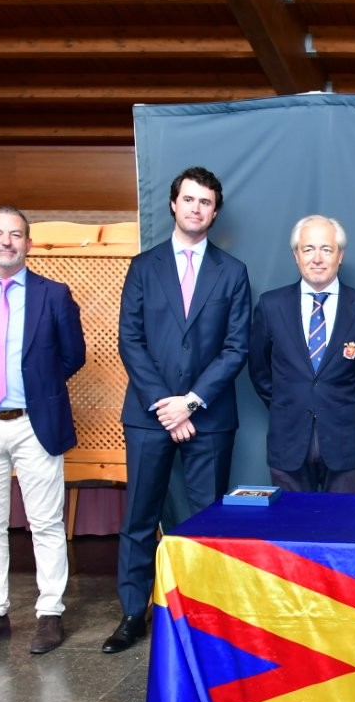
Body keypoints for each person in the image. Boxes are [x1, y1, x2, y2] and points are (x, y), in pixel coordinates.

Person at [107, 166, 251, 654]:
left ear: (215, 211)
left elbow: (236, 348)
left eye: (206, 202)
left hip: (208, 417)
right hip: (149, 415)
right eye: (189, 199)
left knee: (206, 522)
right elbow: (131, 340)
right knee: (140, 519)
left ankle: (202, 615)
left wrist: (189, 402)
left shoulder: (232, 272)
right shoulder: (142, 267)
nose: (196, 208)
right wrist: (165, 405)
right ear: (173, 204)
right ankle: (132, 613)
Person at [0, 207, 86, 654]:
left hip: (34, 423)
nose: (6, 241)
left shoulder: (54, 295)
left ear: (28, 243)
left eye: (15, 235)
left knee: (45, 523)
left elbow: (73, 356)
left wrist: (39, 388)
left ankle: (50, 613)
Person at [250, 215, 355, 493]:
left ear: (340, 255)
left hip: (345, 441)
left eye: (326, 249)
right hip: (288, 439)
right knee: (290, 530)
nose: (317, 258)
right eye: (308, 249)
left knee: (343, 529)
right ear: (296, 255)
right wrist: (288, 402)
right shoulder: (270, 305)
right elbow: (259, 370)